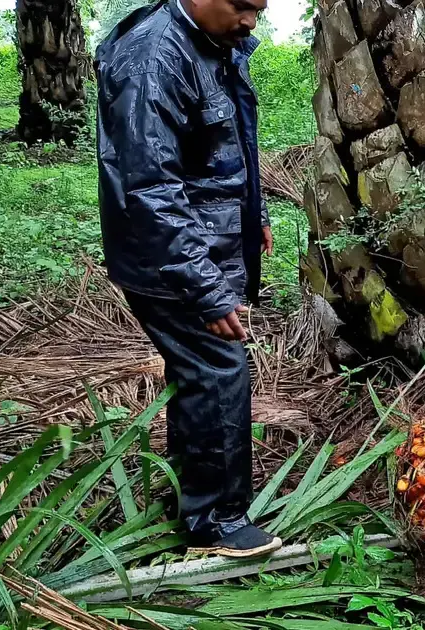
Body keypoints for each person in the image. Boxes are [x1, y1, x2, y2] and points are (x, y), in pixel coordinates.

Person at [95, 0, 279, 557]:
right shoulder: (155, 55)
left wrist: (256, 217)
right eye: (244, 7)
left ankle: (191, 496)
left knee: (200, 372)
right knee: (220, 369)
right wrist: (205, 287)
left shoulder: (209, 42)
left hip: (198, 247)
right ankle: (216, 522)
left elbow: (224, 145)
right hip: (170, 262)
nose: (252, 21)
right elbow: (149, 186)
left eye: (260, 9)